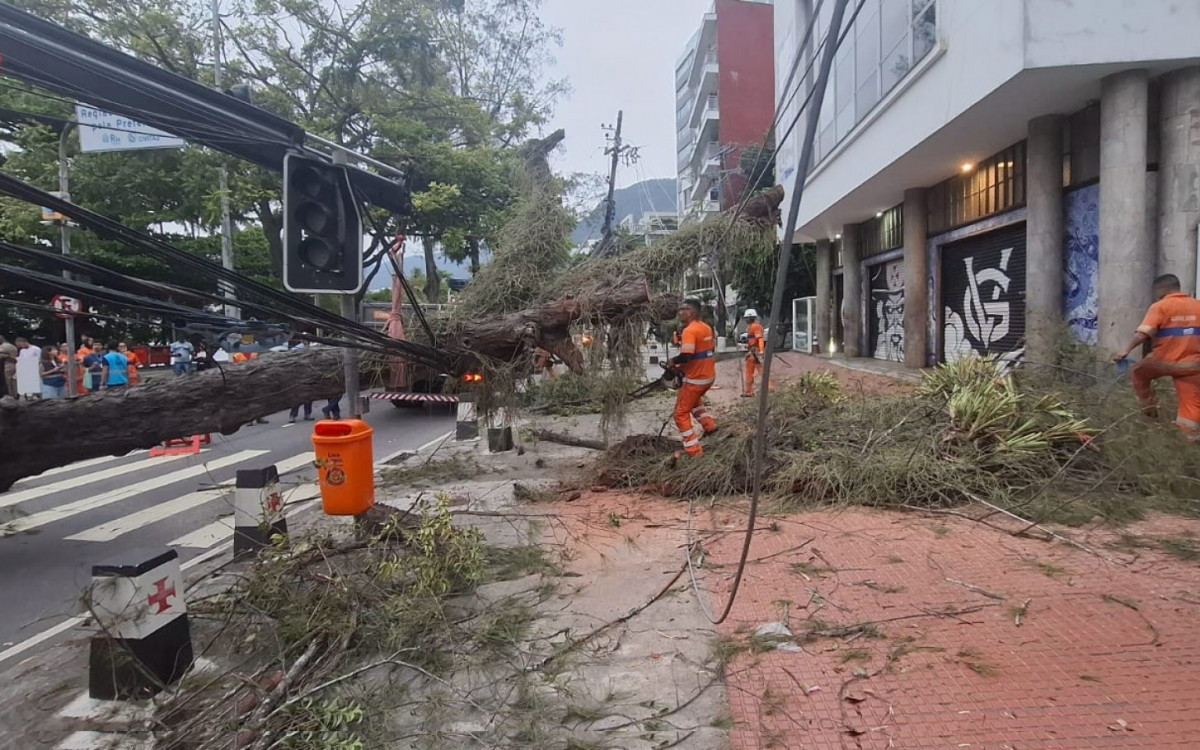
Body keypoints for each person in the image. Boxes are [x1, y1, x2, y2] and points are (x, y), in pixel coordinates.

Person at [1113, 273, 1200, 440]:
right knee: (1192, 402)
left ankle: (1149, 411)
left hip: (1163, 361)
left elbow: (1143, 334)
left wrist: (1126, 350)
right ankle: (1189, 439)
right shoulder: (1198, 306)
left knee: (1138, 372)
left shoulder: (1160, 306)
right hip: (1193, 365)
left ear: (1160, 289)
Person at [667, 299, 718, 457]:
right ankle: (710, 427)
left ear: (693, 312)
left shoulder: (690, 331)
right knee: (694, 403)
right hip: (708, 376)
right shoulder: (705, 327)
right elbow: (701, 354)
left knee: (680, 414)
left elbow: (687, 355)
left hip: (696, 379)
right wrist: (679, 368)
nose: (680, 312)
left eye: (684, 309)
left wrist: (673, 362)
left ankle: (693, 450)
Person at [742, 309, 766, 398]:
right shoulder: (752, 326)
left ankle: (749, 392)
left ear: (750, 318)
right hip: (753, 352)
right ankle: (770, 387)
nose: (745, 320)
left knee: (750, 372)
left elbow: (760, 339)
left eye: (746, 318)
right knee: (761, 371)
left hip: (754, 352)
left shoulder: (755, 327)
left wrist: (761, 351)